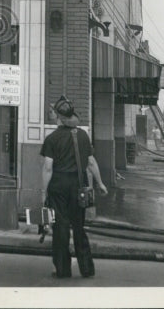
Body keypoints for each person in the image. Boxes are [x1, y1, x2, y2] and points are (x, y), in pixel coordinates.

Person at [39, 96, 109, 279]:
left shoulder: (52, 139)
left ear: (59, 118)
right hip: (79, 185)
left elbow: (47, 167)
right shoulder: (83, 136)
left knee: (60, 228)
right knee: (79, 227)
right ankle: (87, 268)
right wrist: (100, 183)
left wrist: (43, 191)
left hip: (58, 187)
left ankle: (63, 270)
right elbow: (91, 162)